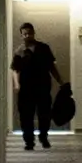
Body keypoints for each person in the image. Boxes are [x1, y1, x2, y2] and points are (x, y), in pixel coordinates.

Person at [12, 20, 66, 154]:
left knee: (44, 114)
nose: (27, 36)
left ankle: (43, 137)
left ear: (33, 33)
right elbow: (15, 69)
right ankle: (29, 141)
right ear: (21, 35)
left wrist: (60, 81)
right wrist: (16, 84)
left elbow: (52, 67)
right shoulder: (20, 51)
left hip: (42, 86)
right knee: (26, 116)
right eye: (24, 34)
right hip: (26, 88)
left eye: (29, 33)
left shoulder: (43, 48)